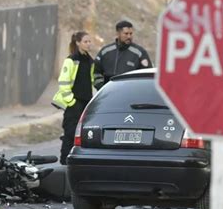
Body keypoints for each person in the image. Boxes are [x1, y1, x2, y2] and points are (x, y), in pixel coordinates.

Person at [52, 31, 94, 165]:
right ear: (78, 43)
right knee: (70, 133)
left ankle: (79, 161)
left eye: (89, 41)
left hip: (86, 102)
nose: (88, 44)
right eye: (85, 42)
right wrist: (71, 101)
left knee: (83, 134)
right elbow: (63, 82)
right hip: (74, 104)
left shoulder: (90, 60)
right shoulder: (71, 60)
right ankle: (65, 161)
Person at [93, 20, 152, 89]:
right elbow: (96, 72)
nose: (129, 36)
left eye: (131, 33)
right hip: (108, 94)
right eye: (126, 34)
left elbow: (147, 74)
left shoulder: (139, 53)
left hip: (130, 94)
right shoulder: (105, 51)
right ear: (118, 33)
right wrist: (101, 87)